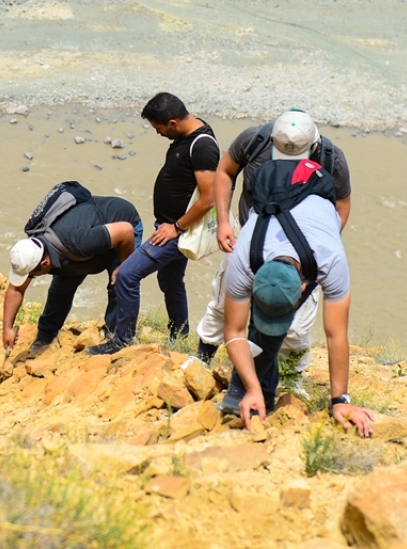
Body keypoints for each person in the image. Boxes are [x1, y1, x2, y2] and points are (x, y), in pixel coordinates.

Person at [219, 159, 373, 437]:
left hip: (314, 219)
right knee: (256, 329)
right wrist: (251, 387)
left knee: (274, 328)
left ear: (304, 289)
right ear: (253, 282)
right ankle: (250, 388)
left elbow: (336, 333)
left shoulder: (331, 257)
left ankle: (259, 389)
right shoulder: (242, 258)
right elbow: (234, 329)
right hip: (269, 230)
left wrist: (340, 401)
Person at [194, 109, 353, 375]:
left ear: (313, 145)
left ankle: (292, 377)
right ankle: (203, 357)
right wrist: (224, 221)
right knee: (224, 305)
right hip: (251, 239)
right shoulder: (255, 140)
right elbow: (225, 171)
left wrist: (320, 248)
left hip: (303, 256)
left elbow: (342, 206)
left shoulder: (331, 158)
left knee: (296, 325)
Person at [88, 92, 219, 355]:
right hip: (169, 227)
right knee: (171, 281)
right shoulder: (190, 131)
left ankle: (121, 339)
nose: (157, 133)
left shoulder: (202, 146)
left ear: (172, 123)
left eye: (158, 128)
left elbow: (210, 198)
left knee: (126, 275)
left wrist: (176, 227)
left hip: (177, 231)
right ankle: (179, 336)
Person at [1, 193, 142, 352]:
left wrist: (122, 266)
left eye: (32, 275)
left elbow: (125, 231)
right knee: (60, 289)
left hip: (122, 228)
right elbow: (16, 289)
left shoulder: (80, 242)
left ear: (45, 263)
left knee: (120, 282)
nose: (30, 279)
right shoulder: (32, 251)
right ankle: (46, 335)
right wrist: (7, 328)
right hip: (90, 239)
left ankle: (116, 339)